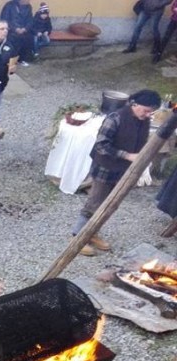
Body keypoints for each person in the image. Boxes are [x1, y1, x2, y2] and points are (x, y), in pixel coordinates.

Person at [71, 89, 160, 257]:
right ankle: (77, 237)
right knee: (95, 203)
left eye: (151, 112)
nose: (148, 115)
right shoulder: (115, 118)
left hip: (124, 171)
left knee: (111, 205)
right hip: (105, 168)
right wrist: (127, 155)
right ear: (134, 104)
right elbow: (101, 146)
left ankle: (92, 233)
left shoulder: (144, 120)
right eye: (146, 110)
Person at [0, 0, 34, 65]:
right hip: (11, 29)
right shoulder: (9, 5)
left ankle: (22, 59)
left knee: (29, 37)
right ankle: (11, 59)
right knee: (13, 38)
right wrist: (15, 29)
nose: (29, 1)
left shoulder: (28, 7)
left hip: (23, 29)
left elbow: (30, 21)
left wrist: (25, 29)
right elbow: (5, 19)